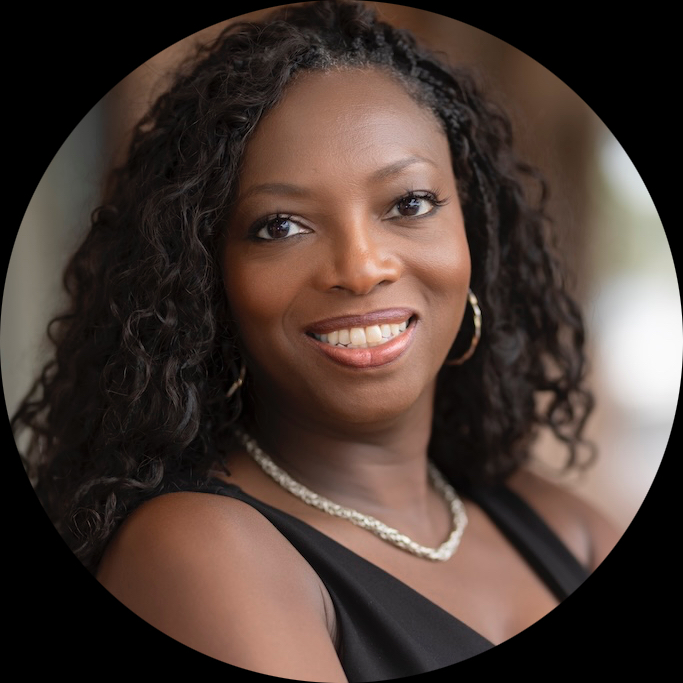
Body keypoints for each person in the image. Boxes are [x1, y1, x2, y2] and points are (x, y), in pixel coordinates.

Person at [12, 1, 620, 680]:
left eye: (409, 204)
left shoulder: (558, 525)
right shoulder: (201, 550)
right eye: (280, 226)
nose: (361, 268)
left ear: (472, 234)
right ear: (208, 279)